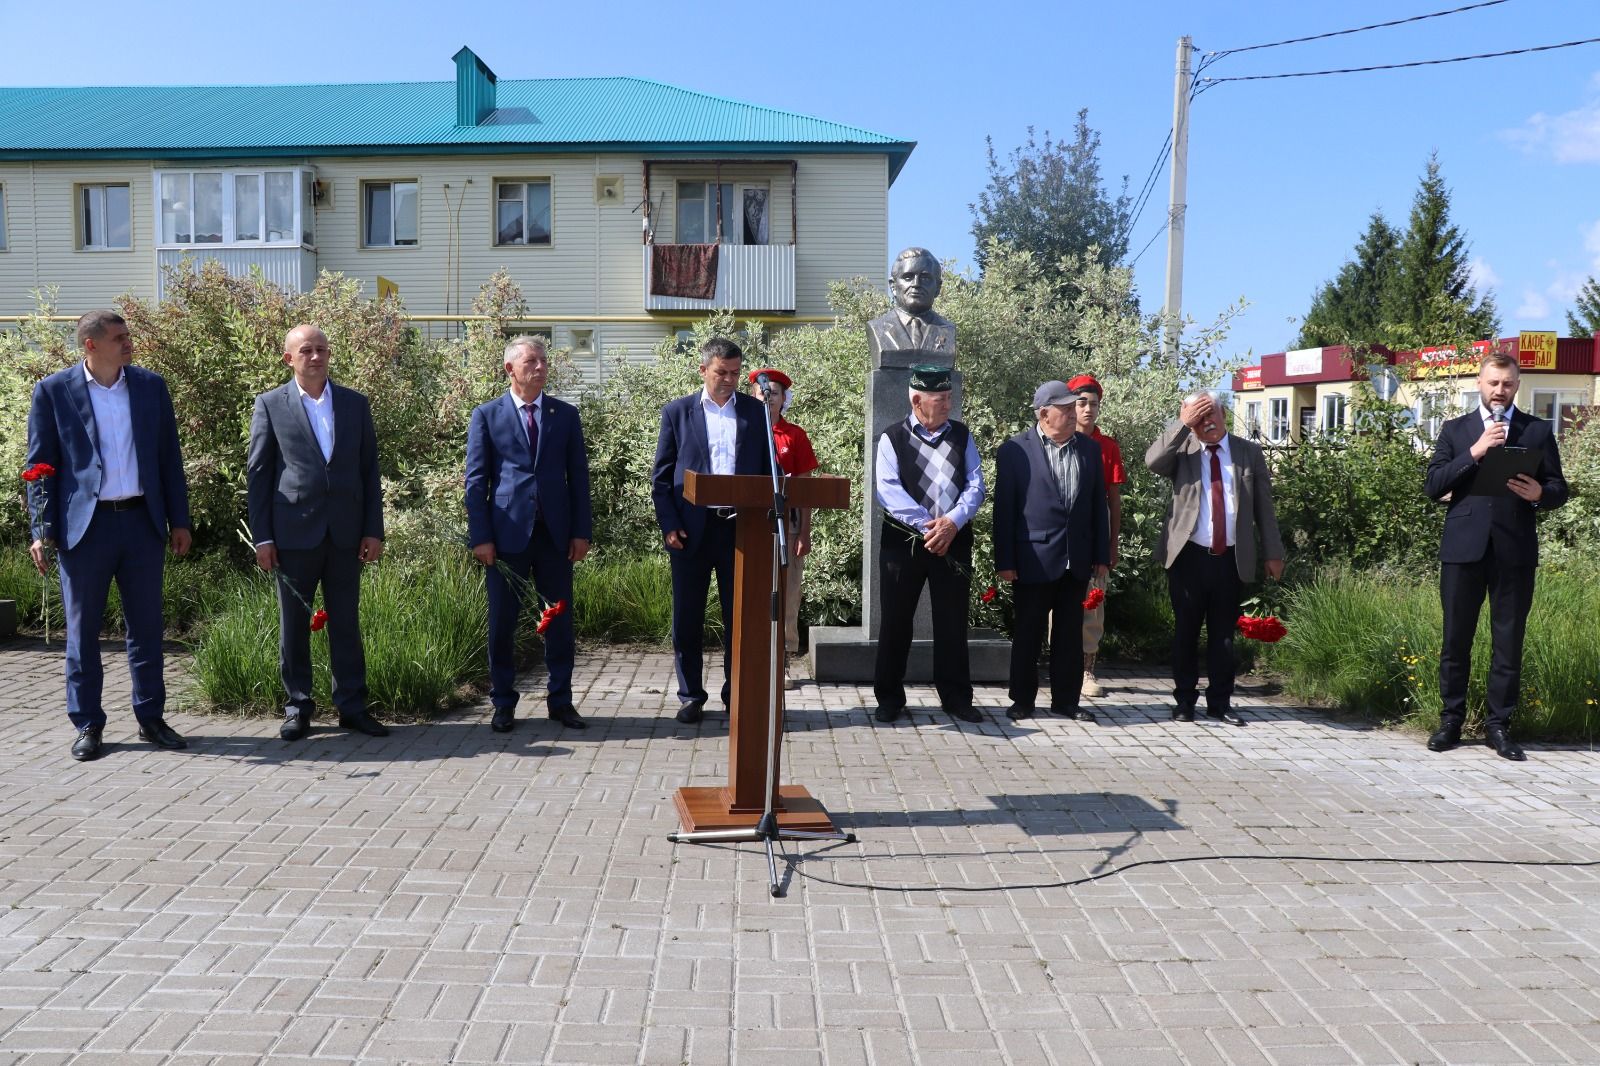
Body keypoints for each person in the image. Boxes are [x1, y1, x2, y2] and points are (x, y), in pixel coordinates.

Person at [25, 310, 192, 762]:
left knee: (147, 627)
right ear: (90, 345)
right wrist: (41, 530)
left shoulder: (150, 386)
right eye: (119, 337)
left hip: (141, 523)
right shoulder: (54, 391)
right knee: (82, 632)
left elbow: (167, 459)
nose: (128, 342)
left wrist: (180, 520)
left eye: (129, 335)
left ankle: (151, 718)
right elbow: (39, 467)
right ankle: (88, 724)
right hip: (86, 528)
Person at [1423, 351, 1568, 761]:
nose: (1499, 390)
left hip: (1514, 552)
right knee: (1456, 639)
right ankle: (1450, 722)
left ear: (1516, 385)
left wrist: (1542, 494)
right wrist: (1474, 452)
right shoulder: (1456, 430)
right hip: (1463, 550)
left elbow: (1559, 487)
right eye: (1492, 382)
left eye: (1506, 383)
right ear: (1479, 384)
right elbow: (1433, 485)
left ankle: (1499, 727)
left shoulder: (1537, 431)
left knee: (1508, 642)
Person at [247, 324, 388, 741]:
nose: (315, 356)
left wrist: (373, 530)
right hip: (293, 533)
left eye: (321, 349)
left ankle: (352, 706)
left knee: (346, 622)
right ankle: (298, 706)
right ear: (289, 358)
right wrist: (263, 537)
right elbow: (259, 474)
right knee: (295, 624)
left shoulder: (354, 404)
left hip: (345, 534)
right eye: (306, 350)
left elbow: (368, 471)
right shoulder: (271, 404)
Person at [466, 336, 593, 732]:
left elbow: (579, 480)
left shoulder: (564, 415)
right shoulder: (487, 415)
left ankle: (561, 701)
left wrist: (581, 531)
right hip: (506, 537)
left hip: (555, 536)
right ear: (510, 369)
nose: (540, 367)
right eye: (531, 361)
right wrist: (481, 537)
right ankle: (503, 702)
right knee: (502, 623)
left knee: (559, 621)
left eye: (543, 361)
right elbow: (476, 482)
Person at [651, 337, 772, 725]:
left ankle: (735, 693)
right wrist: (669, 524)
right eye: (722, 372)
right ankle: (690, 695)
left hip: (741, 531)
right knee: (688, 617)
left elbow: (770, 473)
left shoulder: (756, 413)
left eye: (736, 373)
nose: (729, 379)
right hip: (690, 532)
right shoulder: (677, 413)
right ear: (703, 370)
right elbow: (661, 478)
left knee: (740, 618)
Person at [1146, 390, 1284, 726]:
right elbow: (1153, 461)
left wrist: (1273, 552)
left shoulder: (1247, 452)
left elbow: (1264, 507)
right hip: (1189, 557)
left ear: (1225, 415)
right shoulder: (1183, 449)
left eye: (1213, 415)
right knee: (1186, 632)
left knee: (1224, 635)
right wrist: (1183, 424)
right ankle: (1184, 702)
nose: (1208, 423)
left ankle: (1220, 703)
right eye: (1200, 417)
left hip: (1231, 558)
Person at [872, 365, 986, 725]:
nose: (948, 404)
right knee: (895, 622)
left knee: (952, 622)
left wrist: (952, 522)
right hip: (903, 544)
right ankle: (889, 698)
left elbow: (975, 484)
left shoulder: (962, 436)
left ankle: (956, 698)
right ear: (918, 400)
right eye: (941, 399)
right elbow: (887, 490)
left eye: (950, 397)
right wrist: (929, 527)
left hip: (953, 540)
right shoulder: (892, 438)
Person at [994, 381, 1110, 722]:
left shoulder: (1088, 450)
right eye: (1066, 408)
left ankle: (1066, 702)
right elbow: (1005, 510)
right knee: (1028, 632)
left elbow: (1096, 506)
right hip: (1033, 559)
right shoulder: (1015, 450)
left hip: (1077, 558)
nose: (1074, 413)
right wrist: (1005, 560)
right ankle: (1023, 701)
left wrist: (1101, 556)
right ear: (1044, 413)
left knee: (1069, 635)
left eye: (1075, 406)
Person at [747, 366, 818, 689]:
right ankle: (752, 657)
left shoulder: (795, 436)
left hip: (786, 528)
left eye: (774, 392)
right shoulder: (745, 431)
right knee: (753, 594)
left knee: (788, 594)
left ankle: (784, 659)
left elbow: (806, 489)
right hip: (750, 526)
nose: (767, 397)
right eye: (763, 392)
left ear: (783, 399)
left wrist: (804, 532)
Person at [1066, 373, 1126, 697]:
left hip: (1094, 531)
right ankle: (1062, 667)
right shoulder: (1057, 440)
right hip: (1061, 532)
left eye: (1094, 404)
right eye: (1082, 403)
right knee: (1059, 604)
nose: (1088, 410)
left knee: (1092, 602)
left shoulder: (1107, 447)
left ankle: (1088, 670)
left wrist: (1111, 545)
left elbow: (1113, 501)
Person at [865, 248, 957, 367]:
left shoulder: (947, 329)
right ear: (893, 286)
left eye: (925, 278)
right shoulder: (878, 327)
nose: (916, 284)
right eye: (908, 277)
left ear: (938, 288)